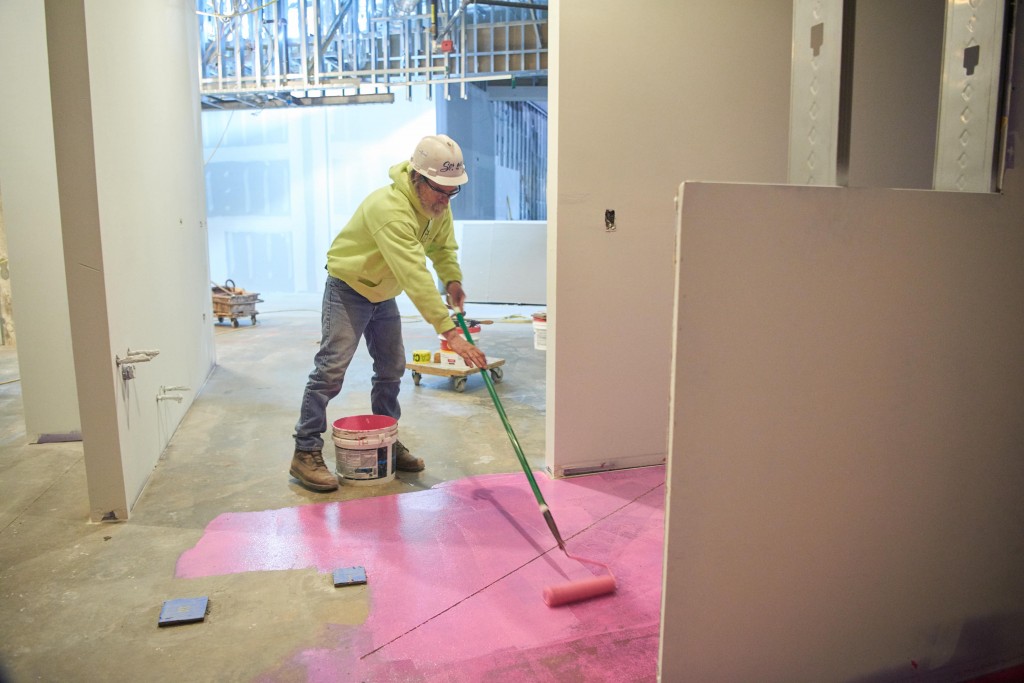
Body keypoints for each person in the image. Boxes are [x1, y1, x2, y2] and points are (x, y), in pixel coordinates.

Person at [290, 134, 487, 492]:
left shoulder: (436, 203)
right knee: (331, 369)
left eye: (452, 192)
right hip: (349, 288)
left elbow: (442, 247)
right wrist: (450, 333)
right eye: (440, 190)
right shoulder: (389, 210)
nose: (446, 199)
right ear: (417, 177)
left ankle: (386, 440)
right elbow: (414, 272)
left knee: (391, 368)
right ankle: (305, 451)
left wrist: (453, 279)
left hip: (383, 293)